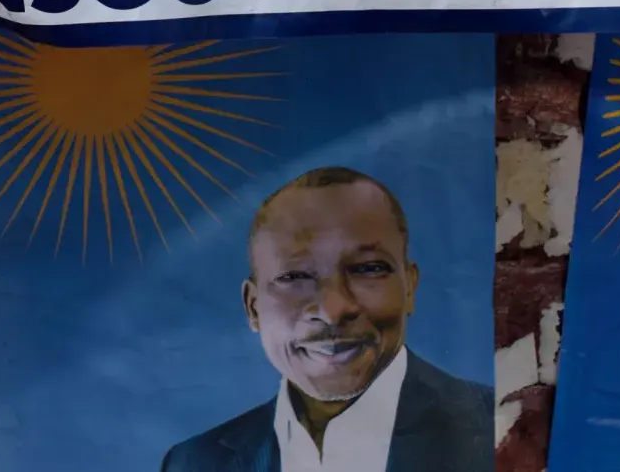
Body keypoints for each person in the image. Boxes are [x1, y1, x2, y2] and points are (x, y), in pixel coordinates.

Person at [162, 167, 492, 472]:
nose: (333, 310)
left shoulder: (504, 426)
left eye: (368, 269)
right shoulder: (192, 463)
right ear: (253, 307)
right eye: (294, 276)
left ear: (409, 288)